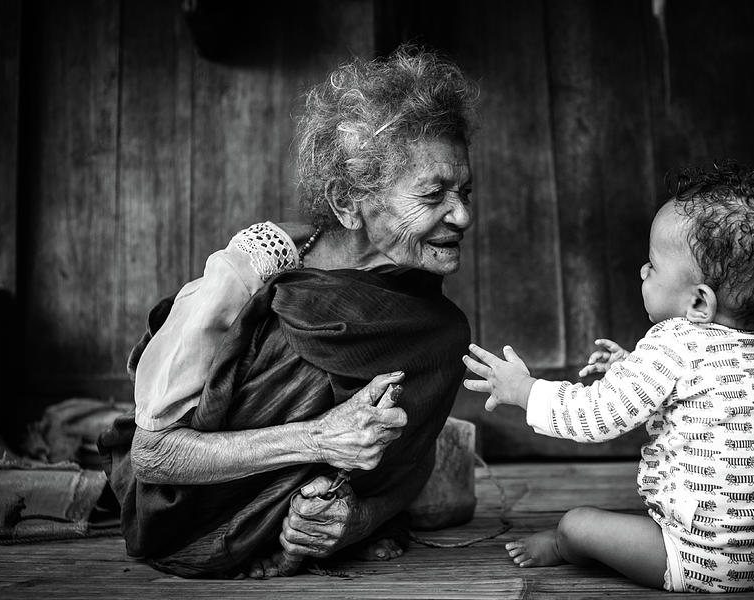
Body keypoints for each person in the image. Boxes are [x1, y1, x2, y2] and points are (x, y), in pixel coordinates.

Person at [98, 45, 477, 578]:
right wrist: (319, 437)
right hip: (188, 510)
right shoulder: (245, 276)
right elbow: (153, 457)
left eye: (463, 191)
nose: (461, 214)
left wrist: (358, 517)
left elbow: (406, 461)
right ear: (347, 202)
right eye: (433, 194)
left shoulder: (429, 322)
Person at [463, 163, 754, 592]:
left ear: (699, 302)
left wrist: (523, 390)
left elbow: (597, 416)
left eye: (652, 265)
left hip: (704, 562)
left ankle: (564, 547)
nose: (642, 272)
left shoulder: (672, 342)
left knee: (577, 523)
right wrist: (632, 366)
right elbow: (705, 391)